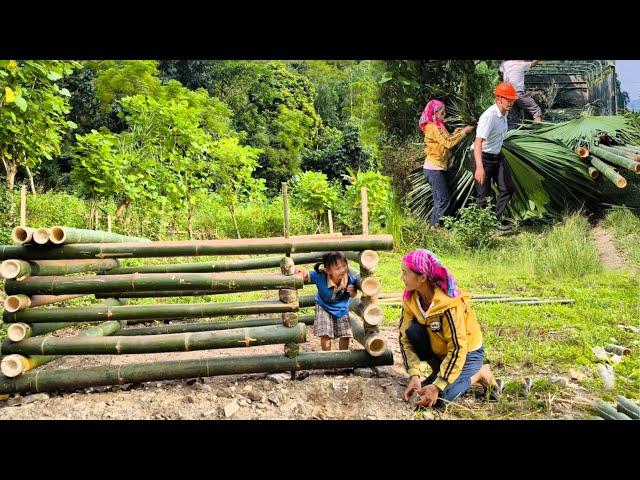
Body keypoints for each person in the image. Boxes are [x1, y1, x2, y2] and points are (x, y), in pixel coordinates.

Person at [399, 249, 498, 408]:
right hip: (442, 348)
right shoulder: (411, 298)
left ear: (422, 278)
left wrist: (438, 386)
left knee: (439, 399)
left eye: (405, 273)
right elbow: (404, 338)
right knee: (413, 332)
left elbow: (458, 347)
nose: (402, 277)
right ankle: (438, 371)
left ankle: (479, 373)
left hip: (467, 352)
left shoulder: (448, 304)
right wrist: (414, 375)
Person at [418, 100, 475, 228]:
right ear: (434, 113)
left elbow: (446, 140)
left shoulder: (439, 125)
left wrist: (456, 132)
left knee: (441, 200)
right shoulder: (432, 127)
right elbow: (448, 143)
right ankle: (433, 229)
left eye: (445, 112)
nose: (444, 115)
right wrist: (464, 132)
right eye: (442, 112)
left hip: (438, 167)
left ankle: (434, 228)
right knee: (443, 201)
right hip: (433, 168)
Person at [473, 82, 518, 230]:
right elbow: (478, 142)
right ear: (499, 99)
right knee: (483, 196)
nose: (511, 103)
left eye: (512, 100)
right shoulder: (489, 116)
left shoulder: (504, 114)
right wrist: (479, 167)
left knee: (508, 188)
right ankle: (480, 230)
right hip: (483, 158)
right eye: (508, 99)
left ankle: (494, 220)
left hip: (497, 157)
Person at [297, 251, 358, 351]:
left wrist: (352, 292)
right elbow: (307, 275)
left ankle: (343, 357)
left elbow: (353, 293)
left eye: (344, 265)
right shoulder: (320, 276)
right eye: (338, 268)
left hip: (342, 308)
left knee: (345, 334)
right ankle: (328, 357)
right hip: (323, 307)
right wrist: (302, 272)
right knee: (325, 334)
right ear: (328, 271)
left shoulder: (350, 279)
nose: (343, 270)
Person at [499, 60, 543, 127]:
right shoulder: (521, 65)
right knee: (535, 110)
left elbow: (500, 71)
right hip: (518, 94)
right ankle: (538, 129)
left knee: (512, 117)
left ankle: (510, 132)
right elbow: (533, 63)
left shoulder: (505, 64)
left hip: (508, 95)